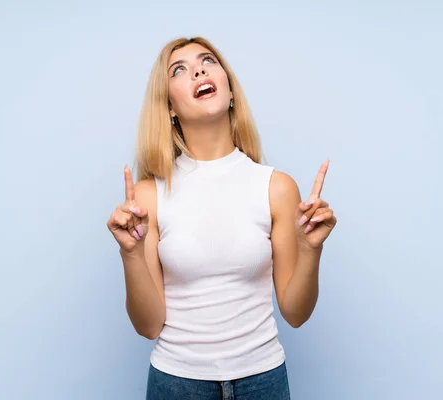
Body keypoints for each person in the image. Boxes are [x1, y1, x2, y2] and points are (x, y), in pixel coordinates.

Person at [107, 37, 337, 400]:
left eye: (208, 61)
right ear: (169, 106)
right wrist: (131, 255)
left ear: (229, 90)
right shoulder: (149, 196)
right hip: (176, 383)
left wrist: (311, 250)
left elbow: (295, 312)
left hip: (264, 381)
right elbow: (149, 325)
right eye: (179, 69)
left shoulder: (276, 187)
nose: (198, 70)